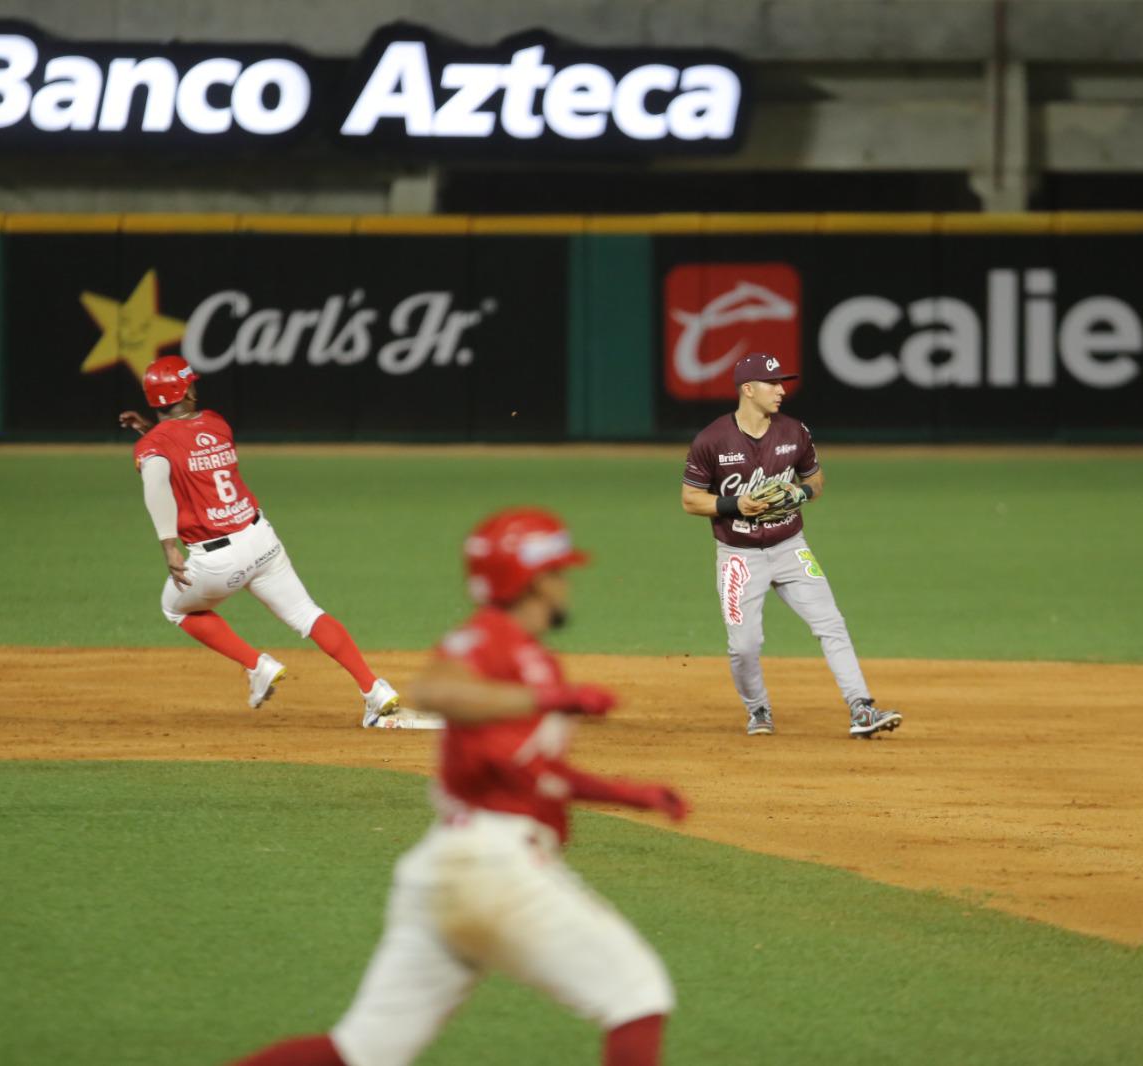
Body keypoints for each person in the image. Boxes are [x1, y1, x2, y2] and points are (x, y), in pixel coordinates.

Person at [231, 507, 689, 1066]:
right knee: (638, 994)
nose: (567, 584)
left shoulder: (532, 656)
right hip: (494, 866)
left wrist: (630, 795)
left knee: (363, 1050)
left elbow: (535, 772)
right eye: (560, 573)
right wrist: (546, 701)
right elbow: (435, 691)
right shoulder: (486, 639)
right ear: (536, 580)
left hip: (448, 870)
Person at [120, 356, 408, 728]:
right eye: (191, 383)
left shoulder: (155, 446)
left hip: (217, 560)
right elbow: (189, 451)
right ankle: (374, 689)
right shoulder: (217, 423)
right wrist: (150, 433)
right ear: (185, 390)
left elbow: (158, 485)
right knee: (308, 614)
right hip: (262, 539)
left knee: (175, 608)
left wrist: (168, 545)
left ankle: (257, 664)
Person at [681, 352, 902, 739]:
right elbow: (690, 499)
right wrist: (736, 504)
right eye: (772, 383)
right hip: (739, 557)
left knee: (831, 623)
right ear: (748, 390)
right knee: (744, 646)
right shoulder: (712, 440)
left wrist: (798, 494)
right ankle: (758, 709)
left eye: (782, 382)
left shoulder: (794, 432)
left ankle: (861, 708)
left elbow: (816, 482)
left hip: (790, 547)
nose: (781, 390)